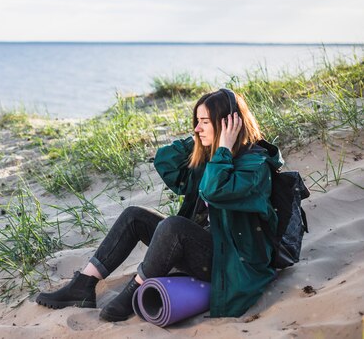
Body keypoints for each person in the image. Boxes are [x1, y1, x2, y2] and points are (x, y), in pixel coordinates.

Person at [36, 88, 283, 321]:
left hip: (230, 263)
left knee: (173, 226)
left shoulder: (255, 167)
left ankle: (135, 289)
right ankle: (84, 286)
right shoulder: (211, 156)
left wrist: (223, 149)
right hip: (207, 247)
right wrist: (205, 139)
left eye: (204, 122)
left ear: (227, 123)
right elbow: (165, 160)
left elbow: (214, 191)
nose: (197, 128)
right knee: (134, 216)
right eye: (196, 121)